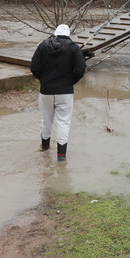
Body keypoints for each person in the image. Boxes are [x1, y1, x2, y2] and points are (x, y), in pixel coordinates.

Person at [30, 24, 86, 161]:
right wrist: (69, 82)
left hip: (46, 91)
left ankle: (45, 149)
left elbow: (34, 67)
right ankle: (61, 157)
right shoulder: (74, 48)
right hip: (65, 92)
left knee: (46, 120)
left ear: (55, 34)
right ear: (68, 34)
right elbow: (80, 69)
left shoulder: (42, 46)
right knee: (63, 123)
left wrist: (43, 80)